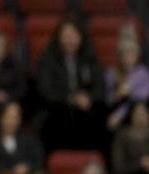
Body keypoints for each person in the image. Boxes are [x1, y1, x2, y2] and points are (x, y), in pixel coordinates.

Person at [36, 18, 106, 151]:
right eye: (66, 36)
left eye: (74, 36)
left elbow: (100, 88)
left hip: (86, 109)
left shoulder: (90, 58)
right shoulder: (48, 60)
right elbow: (45, 91)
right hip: (59, 109)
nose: (70, 40)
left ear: (81, 38)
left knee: (100, 114)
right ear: (58, 38)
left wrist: (89, 98)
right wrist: (71, 99)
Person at [104, 33, 149, 132]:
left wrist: (119, 114)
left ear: (137, 55)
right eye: (125, 53)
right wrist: (116, 96)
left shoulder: (143, 73)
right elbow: (107, 97)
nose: (128, 56)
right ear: (120, 55)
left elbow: (141, 99)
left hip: (134, 110)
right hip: (114, 108)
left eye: (132, 53)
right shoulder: (111, 73)